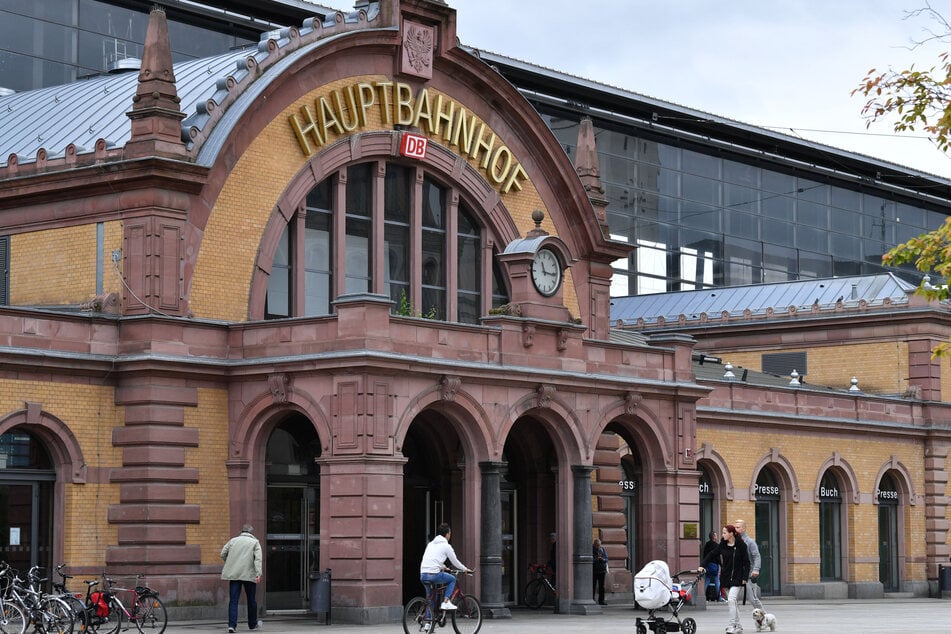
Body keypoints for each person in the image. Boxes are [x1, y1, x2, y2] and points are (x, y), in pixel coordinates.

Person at [698, 525, 750, 634]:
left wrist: (745, 577)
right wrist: (702, 565)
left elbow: (747, 562)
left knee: (731, 599)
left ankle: (731, 625)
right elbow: (711, 554)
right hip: (725, 578)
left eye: (725, 532)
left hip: (738, 578)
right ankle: (739, 626)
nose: (723, 535)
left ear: (731, 533)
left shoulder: (741, 545)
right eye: (722, 533)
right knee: (733, 603)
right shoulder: (722, 544)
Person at [419, 523, 472, 611]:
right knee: (452, 579)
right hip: (433, 574)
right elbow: (455, 562)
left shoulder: (430, 544)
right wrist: (465, 569)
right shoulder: (446, 546)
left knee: (431, 599)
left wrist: (443, 567)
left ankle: (428, 623)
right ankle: (446, 602)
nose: (450, 535)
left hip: (423, 574)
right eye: (450, 534)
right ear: (447, 534)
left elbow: (432, 559)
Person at [221, 524, 263, 633]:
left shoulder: (233, 541)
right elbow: (258, 559)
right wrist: (258, 574)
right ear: (251, 532)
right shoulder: (255, 542)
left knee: (233, 601)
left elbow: (223, 553)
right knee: (251, 600)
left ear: (242, 531)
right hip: (249, 575)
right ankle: (252, 624)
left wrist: (230, 562)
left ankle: (232, 625)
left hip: (234, 574)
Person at [734, 518, 767, 615]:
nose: (735, 529)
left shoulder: (750, 542)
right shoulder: (733, 541)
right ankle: (735, 623)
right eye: (734, 527)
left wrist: (756, 569)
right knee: (732, 599)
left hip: (748, 575)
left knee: (753, 599)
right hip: (737, 575)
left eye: (737, 527)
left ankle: (765, 618)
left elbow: (757, 556)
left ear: (743, 529)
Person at [702, 531, 723, 602]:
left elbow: (704, 555)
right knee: (717, 580)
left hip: (708, 565)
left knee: (707, 581)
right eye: (716, 535)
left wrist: (703, 565)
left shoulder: (707, 544)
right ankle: (719, 597)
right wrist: (721, 565)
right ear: (713, 537)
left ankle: (702, 596)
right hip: (714, 565)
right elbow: (718, 557)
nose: (717, 537)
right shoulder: (717, 545)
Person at [592, 538, 608, 605]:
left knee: (602, 586)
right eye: (597, 545)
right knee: (593, 586)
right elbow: (591, 559)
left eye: (599, 545)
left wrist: (603, 559)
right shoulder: (591, 550)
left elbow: (606, 558)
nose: (598, 546)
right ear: (594, 544)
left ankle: (601, 600)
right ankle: (592, 599)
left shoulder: (602, 549)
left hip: (602, 570)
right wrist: (596, 559)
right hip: (594, 571)